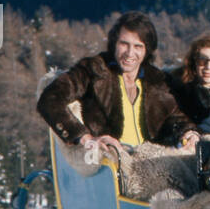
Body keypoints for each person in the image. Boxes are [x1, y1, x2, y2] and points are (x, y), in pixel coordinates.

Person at [37, 11, 196, 158]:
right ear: (114, 43)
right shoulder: (94, 70)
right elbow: (50, 100)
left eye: (138, 46)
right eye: (124, 44)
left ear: (147, 51)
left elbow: (177, 118)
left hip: (150, 163)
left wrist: (189, 132)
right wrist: (84, 137)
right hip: (110, 166)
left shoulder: (158, 81)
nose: (129, 53)